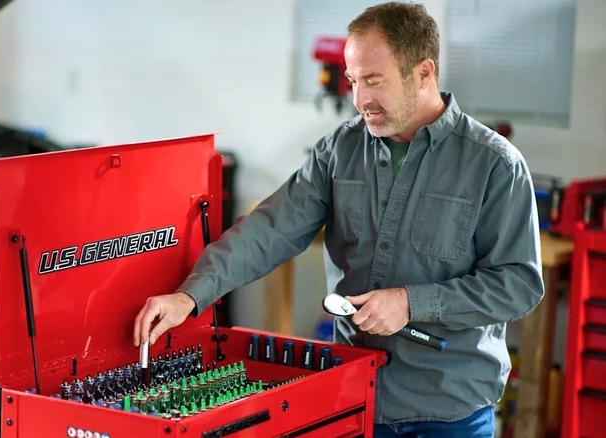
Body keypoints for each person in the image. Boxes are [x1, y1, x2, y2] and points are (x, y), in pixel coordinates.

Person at [133, 2, 544, 437]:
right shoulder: (339, 151)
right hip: (353, 398)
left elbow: (517, 285)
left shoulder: (495, 165)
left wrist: (411, 303)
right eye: (352, 80)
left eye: (373, 81)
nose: (360, 99)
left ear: (424, 73)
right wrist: (191, 296)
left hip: (449, 413)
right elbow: (269, 230)